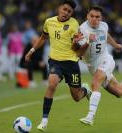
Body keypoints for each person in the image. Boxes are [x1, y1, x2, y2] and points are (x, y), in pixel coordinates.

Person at [24, 0, 91, 131]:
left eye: (69, 11)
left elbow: (77, 48)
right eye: (64, 9)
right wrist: (31, 51)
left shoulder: (74, 24)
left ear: (72, 14)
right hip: (55, 61)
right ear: (59, 8)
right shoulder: (49, 22)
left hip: (71, 63)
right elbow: (43, 38)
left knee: (76, 97)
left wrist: (77, 42)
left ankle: (86, 90)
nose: (66, 13)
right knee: (52, 84)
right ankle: (44, 121)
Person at [20, 20, 48, 88]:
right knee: (29, 65)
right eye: (33, 41)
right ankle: (31, 81)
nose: (35, 42)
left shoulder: (41, 46)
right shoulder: (28, 46)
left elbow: (40, 55)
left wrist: (40, 61)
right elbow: (25, 56)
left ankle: (45, 80)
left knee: (44, 65)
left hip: (36, 62)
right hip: (27, 62)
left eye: (36, 41)